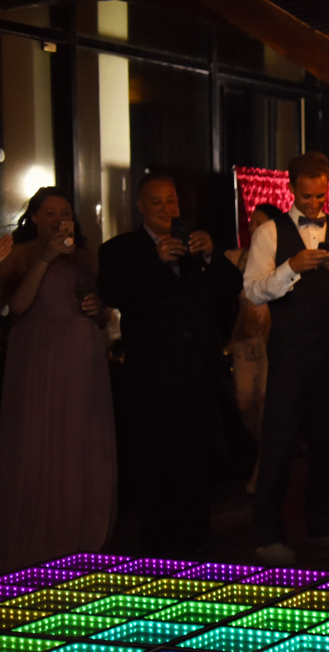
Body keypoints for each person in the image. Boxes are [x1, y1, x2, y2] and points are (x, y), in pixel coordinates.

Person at [98, 174, 242, 558]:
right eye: (157, 202)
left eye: (172, 201)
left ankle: (195, 536)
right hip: (151, 377)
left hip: (198, 374)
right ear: (142, 207)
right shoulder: (122, 249)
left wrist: (212, 255)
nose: (167, 209)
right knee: (153, 459)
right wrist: (156, 261)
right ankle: (157, 540)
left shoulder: (196, 247)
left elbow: (232, 289)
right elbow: (112, 292)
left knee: (196, 458)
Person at [244, 152, 329, 567]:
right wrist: (291, 267)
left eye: (321, 196)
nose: (315, 204)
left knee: (325, 442)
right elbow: (254, 291)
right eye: (307, 195)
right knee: (278, 440)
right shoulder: (270, 233)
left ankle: (321, 525)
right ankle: (266, 533)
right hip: (288, 352)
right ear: (292, 189)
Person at [0, 188, 114, 570]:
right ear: (34, 218)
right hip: (39, 356)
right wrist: (45, 258)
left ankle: (81, 533)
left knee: (78, 442)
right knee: (36, 440)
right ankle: (40, 536)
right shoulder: (22, 254)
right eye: (49, 213)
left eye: (64, 212)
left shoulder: (83, 258)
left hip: (81, 356)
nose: (58, 219)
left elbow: (100, 314)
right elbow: (17, 306)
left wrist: (97, 309)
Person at [223, 203, 287, 493]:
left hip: (272, 340)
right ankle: (269, 453)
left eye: (258, 223)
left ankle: (264, 468)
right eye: (250, 224)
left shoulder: (284, 259)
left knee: (266, 403)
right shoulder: (237, 258)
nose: (251, 229)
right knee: (244, 402)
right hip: (245, 339)